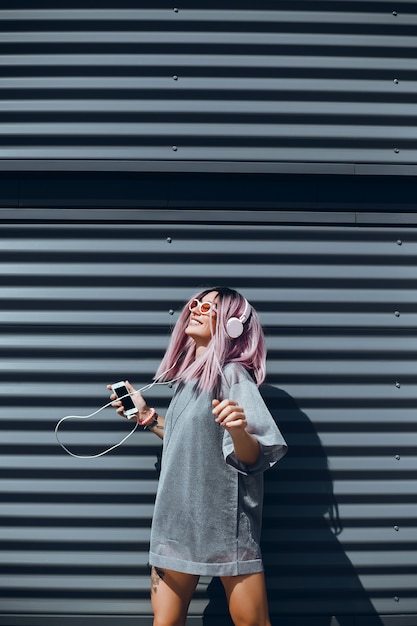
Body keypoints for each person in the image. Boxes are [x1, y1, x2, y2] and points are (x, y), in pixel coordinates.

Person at [108, 287, 288, 626]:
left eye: (210, 307)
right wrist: (147, 417)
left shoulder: (233, 374)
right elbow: (186, 441)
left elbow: (254, 458)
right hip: (174, 526)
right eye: (194, 303)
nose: (197, 309)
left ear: (234, 325)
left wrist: (238, 431)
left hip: (223, 528)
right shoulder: (185, 383)